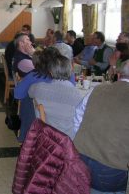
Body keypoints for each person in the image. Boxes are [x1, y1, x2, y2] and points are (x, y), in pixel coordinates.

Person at [73, 60, 129, 192]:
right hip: (109, 170)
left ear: (119, 75)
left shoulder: (98, 89)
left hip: (79, 159)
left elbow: (77, 118)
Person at [29, 54, 82, 140]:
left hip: (46, 135)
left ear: (50, 72)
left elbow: (30, 93)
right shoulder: (77, 94)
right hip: (69, 139)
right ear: (71, 71)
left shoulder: (38, 87)